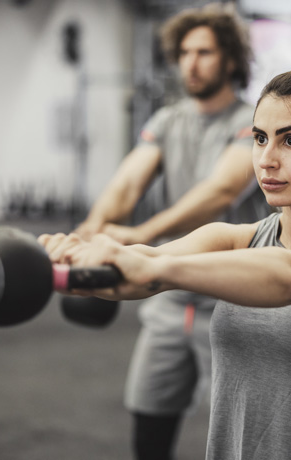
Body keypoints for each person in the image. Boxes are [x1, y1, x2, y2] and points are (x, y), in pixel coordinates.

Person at [41, 68, 291, 459]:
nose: (267, 160)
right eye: (259, 139)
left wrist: (157, 270)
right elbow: (143, 266)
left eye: (290, 140)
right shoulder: (233, 238)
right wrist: (66, 265)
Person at [71, 4, 268, 459]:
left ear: (232, 60)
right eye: (184, 53)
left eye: (204, 52)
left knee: (250, 436)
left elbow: (219, 192)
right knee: (149, 421)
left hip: (237, 298)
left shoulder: (254, 124)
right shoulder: (167, 120)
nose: (191, 63)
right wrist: (91, 229)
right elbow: (127, 182)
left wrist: (139, 234)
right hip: (169, 297)